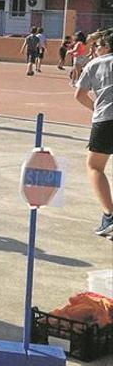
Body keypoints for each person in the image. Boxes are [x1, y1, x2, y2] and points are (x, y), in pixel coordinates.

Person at [74, 30, 113, 237]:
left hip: (105, 119)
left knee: (94, 166)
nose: (94, 50)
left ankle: (109, 216)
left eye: (97, 46)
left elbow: (79, 95)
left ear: (106, 47)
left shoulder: (95, 64)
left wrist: (96, 108)